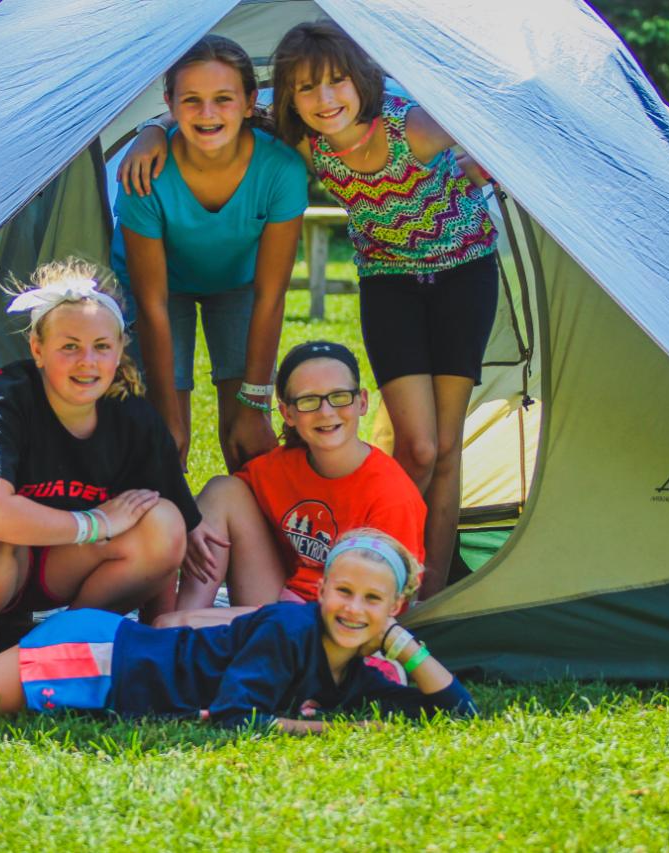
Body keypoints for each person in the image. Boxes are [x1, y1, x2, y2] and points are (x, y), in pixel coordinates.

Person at [121, 22, 499, 597]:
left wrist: (479, 160)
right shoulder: (304, 139)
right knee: (416, 446)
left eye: (338, 83)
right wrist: (151, 128)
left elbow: (482, 112)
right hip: (386, 279)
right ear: (286, 99)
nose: (324, 99)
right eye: (306, 89)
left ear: (363, 81)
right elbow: (212, 107)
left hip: (461, 273)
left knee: (440, 447)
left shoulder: (407, 131)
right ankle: (363, 580)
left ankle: (427, 597)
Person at [0, 259, 201, 669]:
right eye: (69, 346)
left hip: (62, 568)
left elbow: (171, 531)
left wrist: (157, 628)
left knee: (163, 524)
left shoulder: (133, 416)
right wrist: (96, 523)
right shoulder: (5, 398)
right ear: (37, 350)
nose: (87, 361)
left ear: (118, 352)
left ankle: (63, 647)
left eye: (101, 347)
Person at [0, 529, 477, 732]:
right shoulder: (288, 627)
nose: (353, 609)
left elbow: (456, 712)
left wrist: (403, 643)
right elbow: (233, 715)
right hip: (98, 660)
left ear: (395, 604)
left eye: (372, 600)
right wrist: (308, 728)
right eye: (343, 591)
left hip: (102, 647)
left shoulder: (354, 673)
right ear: (319, 591)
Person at [112, 34, 308, 472]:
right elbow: (152, 303)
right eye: (192, 100)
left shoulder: (280, 169)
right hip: (160, 290)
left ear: (250, 100)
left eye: (223, 98)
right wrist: (167, 413)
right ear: (169, 101)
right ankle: (170, 532)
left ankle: (246, 530)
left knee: (248, 437)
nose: (207, 114)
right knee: (163, 438)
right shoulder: (145, 172)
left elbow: (270, 295)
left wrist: (256, 402)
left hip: (240, 283)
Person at [169, 341, 426, 621]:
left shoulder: (391, 495)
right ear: (287, 413)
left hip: (342, 624)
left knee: (175, 625)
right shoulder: (281, 467)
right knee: (223, 489)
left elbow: (386, 609)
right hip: (280, 601)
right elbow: (222, 506)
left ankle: (183, 631)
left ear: (362, 402)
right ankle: (186, 620)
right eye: (308, 401)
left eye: (339, 396)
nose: (326, 412)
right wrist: (191, 519)